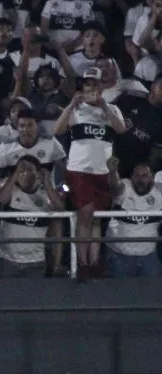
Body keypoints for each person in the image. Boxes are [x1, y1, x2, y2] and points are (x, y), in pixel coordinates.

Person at [54, 67, 126, 279]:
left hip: (102, 170)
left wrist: (105, 107)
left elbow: (121, 129)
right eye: (88, 85)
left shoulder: (111, 108)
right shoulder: (76, 110)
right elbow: (58, 130)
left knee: (95, 219)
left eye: (95, 85)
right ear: (82, 88)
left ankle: (93, 262)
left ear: (101, 87)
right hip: (79, 169)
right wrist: (71, 104)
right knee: (84, 215)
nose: (91, 88)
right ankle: (81, 262)